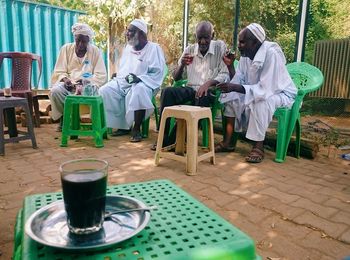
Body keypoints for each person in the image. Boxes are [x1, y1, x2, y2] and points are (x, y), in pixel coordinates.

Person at [216, 23, 297, 163]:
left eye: (242, 42)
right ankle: (228, 142)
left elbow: (265, 90)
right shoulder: (246, 56)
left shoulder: (272, 54)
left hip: (280, 93)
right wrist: (230, 67)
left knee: (260, 102)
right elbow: (240, 79)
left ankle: (258, 147)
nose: (239, 45)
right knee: (230, 97)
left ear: (254, 42)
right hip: (259, 91)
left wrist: (235, 87)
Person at [152, 21, 233, 150]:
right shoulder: (189, 50)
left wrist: (208, 83)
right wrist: (182, 65)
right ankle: (164, 136)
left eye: (206, 37)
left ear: (212, 35)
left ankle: (176, 140)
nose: (202, 41)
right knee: (167, 92)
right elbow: (176, 77)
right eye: (199, 37)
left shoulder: (219, 47)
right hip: (190, 89)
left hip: (209, 91)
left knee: (202, 97)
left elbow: (224, 73)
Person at [99, 19, 166, 142]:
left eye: (130, 31)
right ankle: (122, 126)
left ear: (140, 33)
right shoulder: (128, 48)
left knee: (138, 90)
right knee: (105, 90)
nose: (127, 33)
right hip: (124, 82)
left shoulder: (154, 48)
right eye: (127, 31)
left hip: (145, 84)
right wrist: (118, 75)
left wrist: (139, 78)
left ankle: (136, 128)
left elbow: (157, 72)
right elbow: (124, 69)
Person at [49, 23, 107, 132]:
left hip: (88, 85)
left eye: (84, 42)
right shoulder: (66, 49)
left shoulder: (95, 51)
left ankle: (95, 122)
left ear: (88, 40)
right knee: (55, 91)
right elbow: (59, 71)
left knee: (97, 92)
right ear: (75, 38)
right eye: (78, 41)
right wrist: (65, 80)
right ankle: (64, 118)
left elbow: (101, 75)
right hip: (69, 85)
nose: (80, 44)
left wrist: (86, 81)